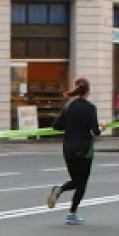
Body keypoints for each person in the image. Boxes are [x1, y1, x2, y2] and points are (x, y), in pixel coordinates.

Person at [46, 77, 102, 224]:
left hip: (68, 148)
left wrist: (70, 125)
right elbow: (95, 131)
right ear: (88, 91)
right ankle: (72, 213)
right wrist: (102, 128)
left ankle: (60, 190)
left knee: (76, 180)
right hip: (84, 149)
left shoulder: (68, 106)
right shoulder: (90, 108)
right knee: (81, 184)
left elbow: (56, 126)